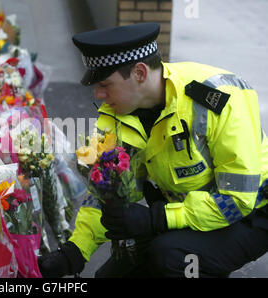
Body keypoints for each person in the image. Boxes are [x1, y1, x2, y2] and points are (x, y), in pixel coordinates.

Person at [38, 22, 268, 278]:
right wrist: (75, 252)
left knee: (170, 256)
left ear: (139, 73)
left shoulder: (221, 100)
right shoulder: (118, 113)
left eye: (105, 83)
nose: (98, 94)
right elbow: (108, 192)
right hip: (185, 213)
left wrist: (157, 220)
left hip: (251, 212)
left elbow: (237, 200)